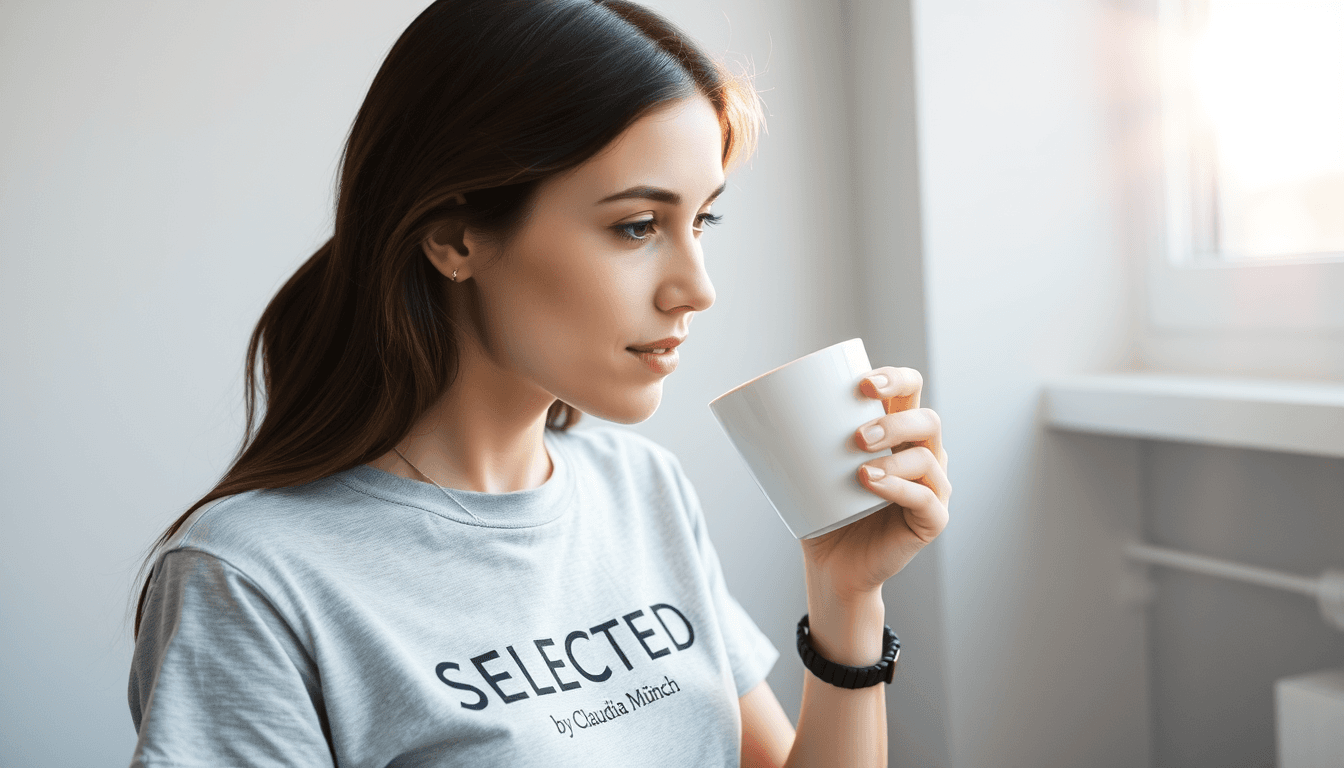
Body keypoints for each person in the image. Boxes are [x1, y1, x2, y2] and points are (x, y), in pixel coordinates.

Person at [126, 1, 952, 766]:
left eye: (701, 220)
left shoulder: (642, 492)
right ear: (455, 236)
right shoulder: (251, 579)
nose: (697, 287)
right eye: (637, 226)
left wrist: (846, 595)